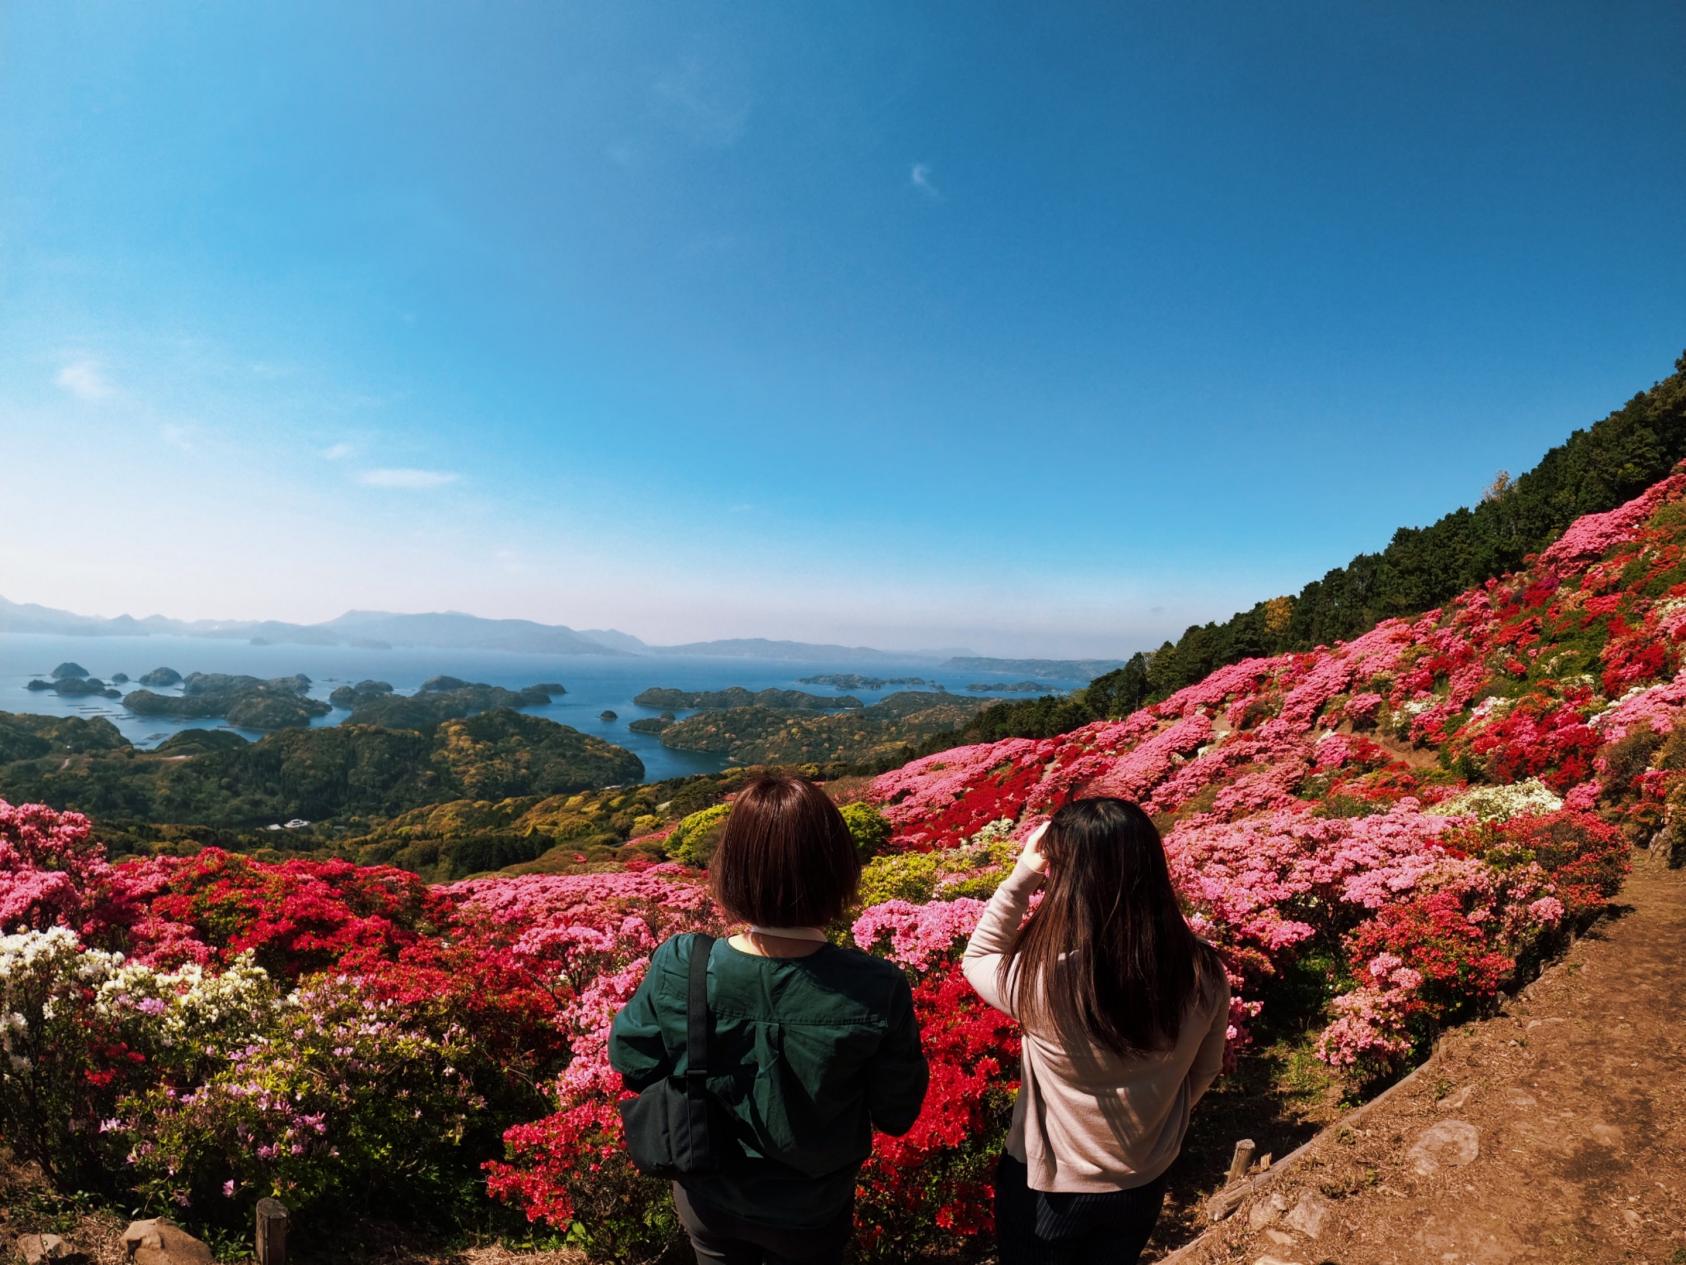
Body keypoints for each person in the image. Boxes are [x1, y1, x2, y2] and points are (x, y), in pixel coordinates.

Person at [609, 773, 929, 1265]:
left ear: (731, 869)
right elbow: (897, 1111)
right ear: (839, 871)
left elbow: (633, 1061)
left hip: (707, 1195)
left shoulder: (682, 964)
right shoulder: (875, 987)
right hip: (812, 1210)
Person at [962, 797, 1229, 1265]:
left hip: (1048, 1190)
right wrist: (1156, 1122)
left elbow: (978, 957)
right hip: (1143, 1180)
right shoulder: (1204, 971)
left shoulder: (1042, 983)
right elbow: (1205, 1071)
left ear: (1065, 879)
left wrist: (1024, 873)